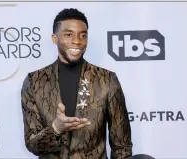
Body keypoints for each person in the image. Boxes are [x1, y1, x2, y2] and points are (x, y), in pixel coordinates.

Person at [21, 8, 133, 159]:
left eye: (83, 35)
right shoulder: (34, 81)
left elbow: (122, 147)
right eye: (68, 34)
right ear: (55, 38)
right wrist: (56, 128)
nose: (77, 41)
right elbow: (33, 144)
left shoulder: (107, 80)